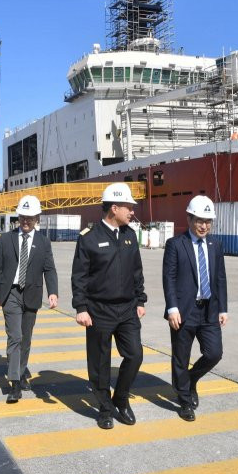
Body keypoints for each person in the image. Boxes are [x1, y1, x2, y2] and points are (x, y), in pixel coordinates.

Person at [71, 183, 146, 429]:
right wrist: (80, 307)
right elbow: (79, 276)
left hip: (127, 309)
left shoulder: (130, 235)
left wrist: (140, 299)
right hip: (98, 310)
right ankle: (104, 407)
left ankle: (120, 400)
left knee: (135, 355)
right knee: (100, 362)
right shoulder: (89, 238)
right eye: (128, 207)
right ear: (114, 208)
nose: (132, 211)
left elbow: (137, 271)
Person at [162, 195, 228, 422]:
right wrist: (172, 308)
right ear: (189, 219)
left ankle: (189, 380)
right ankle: (185, 401)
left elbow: (220, 278)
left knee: (214, 353)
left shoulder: (215, 245)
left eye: (208, 221)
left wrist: (223, 309)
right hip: (183, 310)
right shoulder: (175, 245)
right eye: (200, 220)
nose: (204, 226)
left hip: (209, 309)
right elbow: (168, 278)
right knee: (181, 356)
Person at [0, 195, 58, 403]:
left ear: (37, 218)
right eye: (22, 217)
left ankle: (20, 369)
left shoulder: (43, 242)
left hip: (32, 294)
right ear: (18, 217)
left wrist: (52, 292)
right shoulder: (6, 239)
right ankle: (15, 383)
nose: (26, 221)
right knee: (15, 337)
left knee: (26, 338)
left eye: (30, 218)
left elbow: (49, 269)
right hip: (11, 294)